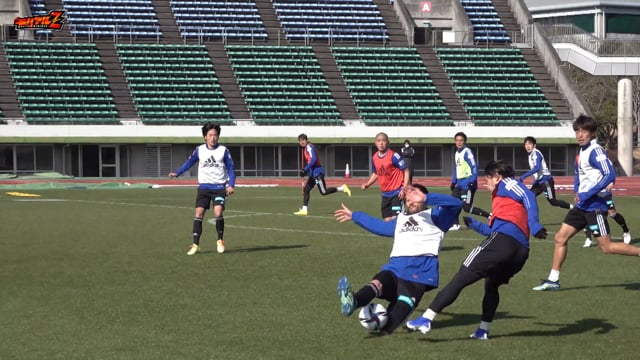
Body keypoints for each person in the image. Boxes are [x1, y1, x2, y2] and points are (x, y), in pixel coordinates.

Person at [406, 160, 547, 340]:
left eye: (487, 178)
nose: (485, 182)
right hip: (519, 252)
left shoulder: (507, 183)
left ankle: (426, 318)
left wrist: (534, 224)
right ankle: (483, 329)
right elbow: (496, 230)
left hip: (504, 242)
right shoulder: (503, 201)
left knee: (461, 276)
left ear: (497, 177)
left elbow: (529, 195)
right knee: (491, 285)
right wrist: (475, 225)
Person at [335, 184, 463, 334]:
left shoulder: (437, 217)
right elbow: (380, 227)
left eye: (415, 197)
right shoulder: (400, 219)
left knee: (390, 325)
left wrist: (427, 197)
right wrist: (355, 216)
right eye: (408, 199)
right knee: (378, 282)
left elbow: (457, 204)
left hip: (418, 276)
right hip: (394, 269)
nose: (410, 202)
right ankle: (354, 301)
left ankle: (384, 328)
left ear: (424, 199)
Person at [533, 115, 640, 291]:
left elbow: (609, 174)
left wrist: (587, 193)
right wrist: (578, 191)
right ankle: (553, 280)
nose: (580, 135)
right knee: (560, 238)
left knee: (606, 247)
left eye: (584, 131)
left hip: (595, 207)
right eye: (577, 131)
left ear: (592, 133)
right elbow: (578, 174)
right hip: (582, 206)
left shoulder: (595, 151)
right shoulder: (581, 151)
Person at [169, 122, 235, 256]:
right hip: (204, 188)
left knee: (218, 213)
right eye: (210, 135)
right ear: (205, 137)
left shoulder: (223, 150)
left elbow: (231, 169)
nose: (213, 138)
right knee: (198, 214)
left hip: (219, 187)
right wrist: (177, 173)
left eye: (215, 135)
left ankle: (220, 240)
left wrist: (231, 184)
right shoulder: (199, 150)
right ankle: (195, 245)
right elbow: (189, 163)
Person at [293, 134, 351, 216]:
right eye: (300, 140)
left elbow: (313, 160)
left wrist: (305, 169)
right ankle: (304, 210)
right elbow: (311, 161)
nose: (302, 142)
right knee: (306, 189)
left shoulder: (309, 147)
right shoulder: (306, 149)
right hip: (313, 174)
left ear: (306, 140)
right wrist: (306, 171)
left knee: (323, 192)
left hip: (317, 173)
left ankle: (342, 188)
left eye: (303, 140)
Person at [361, 132, 410, 221]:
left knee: (396, 220)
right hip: (385, 195)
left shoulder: (394, 156)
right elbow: (376, 173)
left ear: (388, 142)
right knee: (387, 220)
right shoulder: (374, 158)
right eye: (379, 141)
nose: (381, 143)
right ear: (375, 143)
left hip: (397, 194)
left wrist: (404, 188)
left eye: (384, 141)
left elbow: (406, 171)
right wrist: (367, 184)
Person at [449, 132, 491, 231]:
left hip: (467, 184)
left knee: (466, 208)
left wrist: (472, 181)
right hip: (459, 184)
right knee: (452, 203)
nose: (459, 142)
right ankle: (455, 225)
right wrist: (453, 181)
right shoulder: (457, 153)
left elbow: (474, 166)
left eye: (461, 140)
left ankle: (489, 215)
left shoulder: (467, 152)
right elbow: (456, 168)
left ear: (465, 141)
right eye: (457, 140)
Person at [519, 136, 573, 210]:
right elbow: (537, 174)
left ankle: (573, 208)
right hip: (539, 182)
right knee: (528, 196)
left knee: (553, 201)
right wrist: (534, 182)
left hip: (546, 182)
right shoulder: (530, 155)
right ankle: (527, 218)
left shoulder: (536, 153)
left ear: (534, 145)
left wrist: (523, 176)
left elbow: (537, 168)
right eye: (526, 144)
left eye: (529, 144)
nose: (527, 146)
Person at [582, 181, 631, 247]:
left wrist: (612, 182)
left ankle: (626, 231)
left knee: (612, 213)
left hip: (604, 192)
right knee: (588, 212)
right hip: (590, 192)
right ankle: (588, 238)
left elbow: (610, 174)